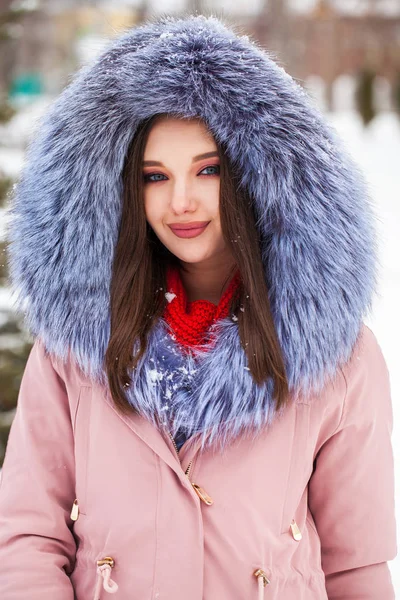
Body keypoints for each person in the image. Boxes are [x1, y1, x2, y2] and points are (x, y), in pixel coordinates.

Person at [0, 13, 397, 600]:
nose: (180, 201)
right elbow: (26, 538)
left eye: (207, 169)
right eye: (154, 177)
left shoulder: (337, 356)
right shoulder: (74, 347)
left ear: (257, 176)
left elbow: (356, 567)